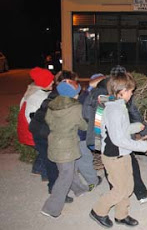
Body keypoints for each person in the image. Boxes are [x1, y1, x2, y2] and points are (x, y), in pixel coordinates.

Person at [90, 73, 147, 228]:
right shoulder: (115, 109)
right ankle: (98, 211)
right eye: (131, 91)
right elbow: (119, 139)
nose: (132, 94)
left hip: (122, 153)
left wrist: (135, 127)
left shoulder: (118, 104)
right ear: (122, 91)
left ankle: (121, 215)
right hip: (114, 155)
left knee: (128, 186)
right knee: (119, 190)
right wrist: (145, 147)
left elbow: (119, 130)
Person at [41, 80, 89, 218]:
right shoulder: (75, 108)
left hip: (54, 142)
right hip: (66, 146)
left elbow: (49, 121)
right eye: (77, 92)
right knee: (65, 176)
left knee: (68, 169)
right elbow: (83, 126)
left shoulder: (52, 105)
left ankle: (79, 189)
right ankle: (50, 208)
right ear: (73, 94)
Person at [18, 67, 54, 180]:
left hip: (28, 128)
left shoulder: (33, 92)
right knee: (46, 151)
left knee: (42, 149)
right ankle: (46, 174)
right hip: (32, 131)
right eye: (50, 81)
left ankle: (37, 168)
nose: (53, 82)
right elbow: (34, 118)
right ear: (43, 83)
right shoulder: (39, 98)